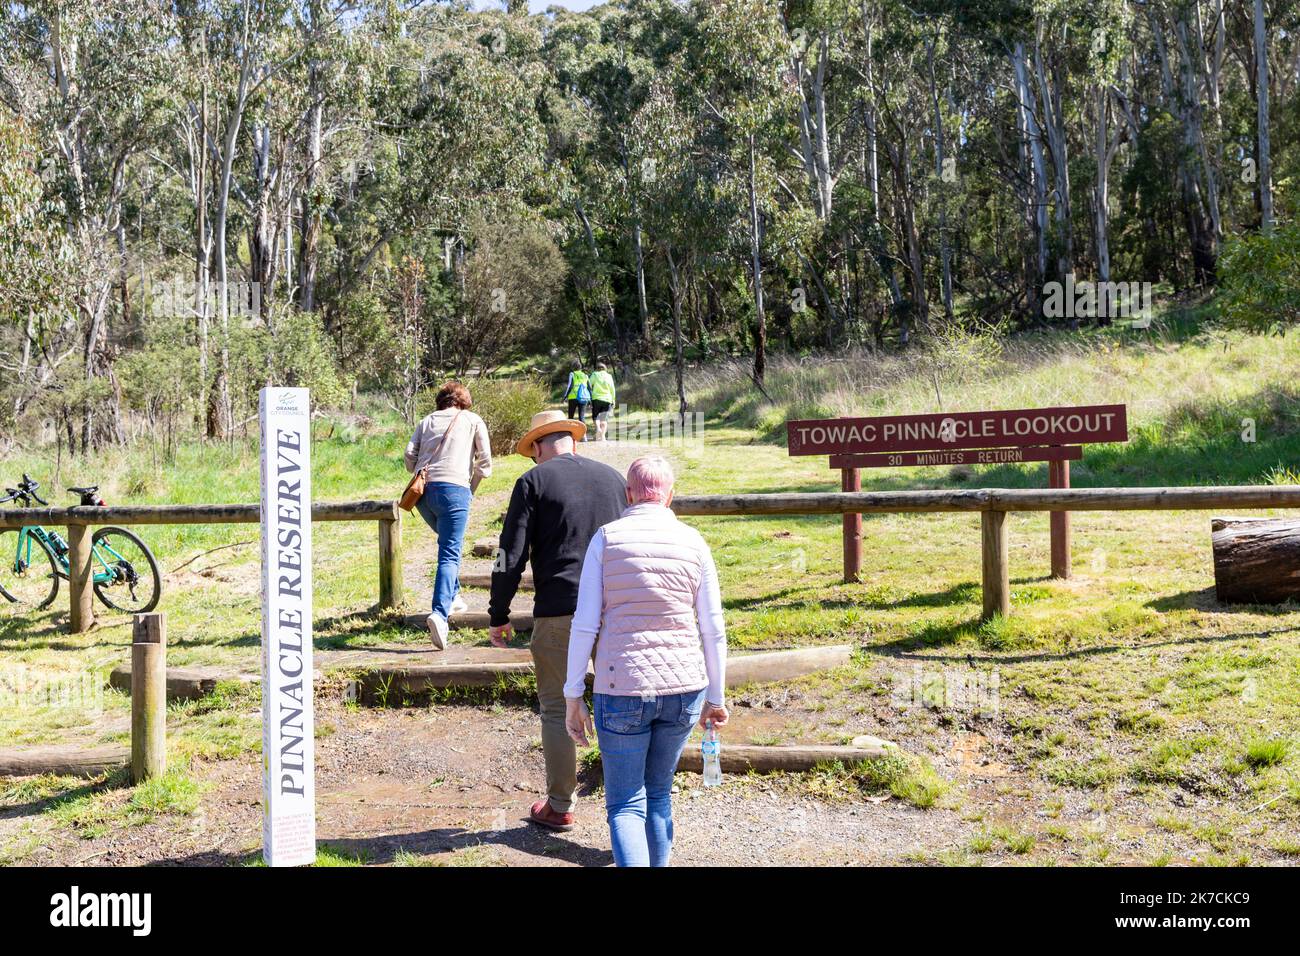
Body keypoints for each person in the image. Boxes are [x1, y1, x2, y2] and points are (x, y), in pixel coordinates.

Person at [563, 456, 728, 867]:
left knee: (624, 804)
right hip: (685, 688)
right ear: (670, 496)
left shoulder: (606, 539)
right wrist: (717, 696)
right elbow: (713, 627)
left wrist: (572, 694)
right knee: (658, 793)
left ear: (629, 494)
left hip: (621, 687)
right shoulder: (694, 542)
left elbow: (585, 624)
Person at [488, 410, 627, 831]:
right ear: (573, 441)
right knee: (620, 705)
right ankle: (626, 803)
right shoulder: (614, 479)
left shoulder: (532, 481)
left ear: (536, 448)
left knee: (554, 706)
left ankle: (560, 804)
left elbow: (509, 552)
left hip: (560, 608)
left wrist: (499, 613)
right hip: (614, 607)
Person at [404, 381, 492, 650]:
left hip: (422, 495)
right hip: (454, 490)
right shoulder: (472, 419)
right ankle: (440, 615)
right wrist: (470, 491)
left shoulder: (426, 421)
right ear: (463, 400)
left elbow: (410, 456)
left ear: (441, 400)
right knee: (450, 552)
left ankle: (453, 595)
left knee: (447, 545)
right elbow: (485, 462)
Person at [588, 362, 616, 442]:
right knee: (604, 419)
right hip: (607, 399)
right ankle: (603, 436)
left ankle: (598, 429)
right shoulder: (609, 376)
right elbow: (612, 389)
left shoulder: (595, 374)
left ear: (597, 368)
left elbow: (589, 384)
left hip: (596, 398)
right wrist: (613, 399)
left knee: (596, 417)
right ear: (605, 369)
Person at [563, 361, 590, 430]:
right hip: (583, 397)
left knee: (571, 416)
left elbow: (570, 386)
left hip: (573, 397)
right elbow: (589, 388)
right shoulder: (585, 375)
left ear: (573, 367)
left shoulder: (572, 374)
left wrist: (565, 396)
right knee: (582, 417)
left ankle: (570, 433)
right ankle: (584, 436)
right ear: (580, 368)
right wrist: (590, 399)